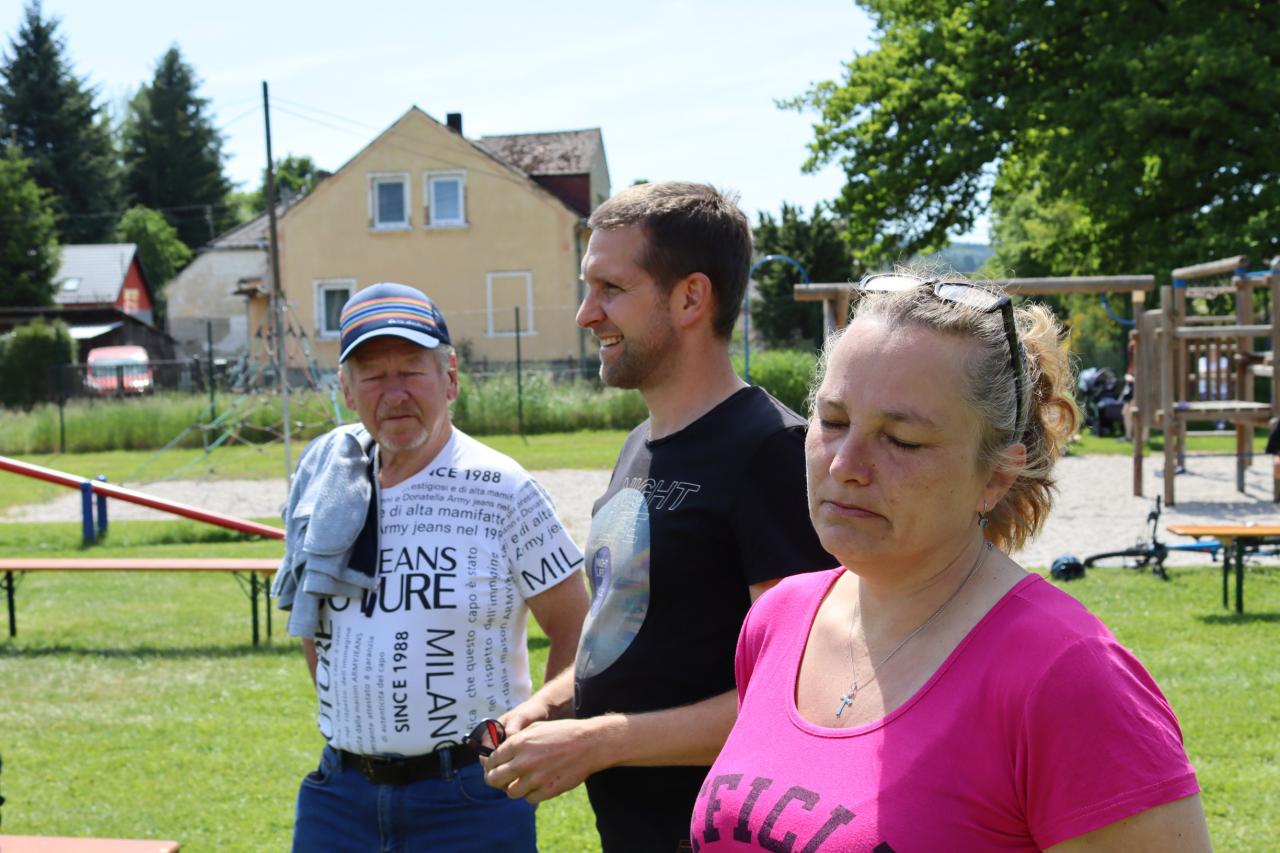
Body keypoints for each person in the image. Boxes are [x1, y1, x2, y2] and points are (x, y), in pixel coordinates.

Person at [687, 272, 1212, 851]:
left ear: (996, 476)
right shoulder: (778, 619)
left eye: (902, 440)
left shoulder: (1067, 676)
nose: (844, 466)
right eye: (833, 422)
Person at [482, 181, 838, 851]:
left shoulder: (769, 451)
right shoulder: (637, 447)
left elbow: (798, 690)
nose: (586, 314)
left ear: (691, 298)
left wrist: (599, 741)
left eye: (611, 288)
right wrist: (549, 707)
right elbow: (622, 636)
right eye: (587, 288)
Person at [272, 282, 590, 853]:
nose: (394, 393)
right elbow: (314, 622)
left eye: (411, 371)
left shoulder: (504, 490)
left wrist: (539, 732)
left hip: (470, 797)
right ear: (346, 390)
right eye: (372, 375)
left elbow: (580, 631)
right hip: (340, 796)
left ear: (450, 378)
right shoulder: (326, 485)